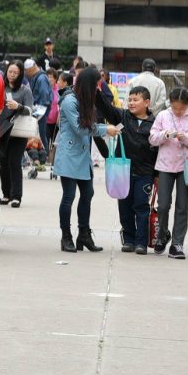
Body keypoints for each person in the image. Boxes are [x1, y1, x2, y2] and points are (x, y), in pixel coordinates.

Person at [52, 66, 120, 253]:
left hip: (82, 155)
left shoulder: (86, 100)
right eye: (96, 85)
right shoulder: (69, 101)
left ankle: (84, 234)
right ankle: (66, 237)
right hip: (69, 155)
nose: (98, 88)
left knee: (88, 194)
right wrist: (105, 129)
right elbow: (80, 128)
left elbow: (89, 126)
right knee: (69, 196)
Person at [149, 87, 188, 259]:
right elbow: (152, 138)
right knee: (163, 205)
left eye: (181, 108)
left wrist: (186, 137)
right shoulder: (163, 115)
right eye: (175, 107)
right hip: (165, 165)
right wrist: (164, 135)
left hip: (185, 167)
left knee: (182, 206)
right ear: (170, 103)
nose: (178, 111)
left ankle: (177, 243)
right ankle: (162, 235)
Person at [116, 86, 157, 254]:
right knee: (124, 207)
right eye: (129, 100)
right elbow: (106, 109)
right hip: (123, 172)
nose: (131, 103)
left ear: (147, 102)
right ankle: (129, 240)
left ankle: (141, 242)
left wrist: (156, 175)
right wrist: (95, 91)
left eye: (135, 100)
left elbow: (158, 151)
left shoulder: (155, 124)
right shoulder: (123, 117)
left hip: (144, 173)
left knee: (141, 207)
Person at [0, 61, 33, 208]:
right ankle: (6, 194)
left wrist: (18, 106)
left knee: (14, 162)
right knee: (3, 162)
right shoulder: (1, 87)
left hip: (18, 131)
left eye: (15, 73)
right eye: (10, 71)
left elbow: (30, 110)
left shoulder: (25, 90)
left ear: (20, 74)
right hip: (2, 130)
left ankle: (16, 196)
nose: (11, 75)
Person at [25, 58, 52, 167]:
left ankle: (44, 158)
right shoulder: (37, 77)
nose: (27, 73)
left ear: (32, 69)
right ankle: (42, 158)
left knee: (41, 133)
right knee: (40, 133)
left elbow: (44, 96)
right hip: (38, 108)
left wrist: (38, 112)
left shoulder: (41, 78)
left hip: (41, 109)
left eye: (27, 71)